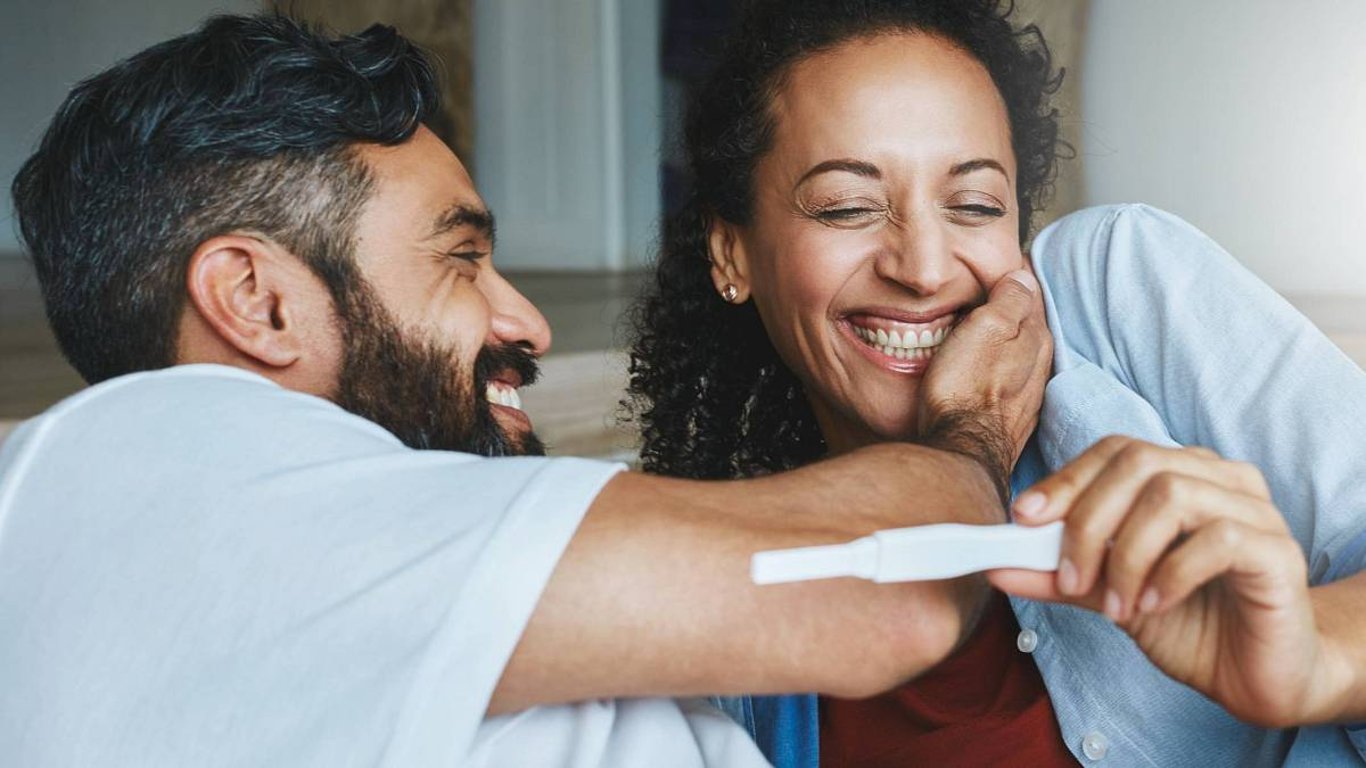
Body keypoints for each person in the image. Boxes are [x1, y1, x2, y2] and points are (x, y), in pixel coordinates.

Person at [0, 13, 1060, 768]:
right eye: (460, 262)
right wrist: (970, 433)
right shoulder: (159, 473)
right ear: (255, 300)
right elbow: (877, 597)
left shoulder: (344, 530)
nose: (529, 322)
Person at [626, 1, 1366, 766]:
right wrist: (965, 437)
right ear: (732, 254)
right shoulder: (736, 607)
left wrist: (1313, 659)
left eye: (975, 206)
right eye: (849, 207)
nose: (923, 267)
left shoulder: (1110, 290)